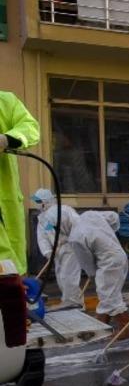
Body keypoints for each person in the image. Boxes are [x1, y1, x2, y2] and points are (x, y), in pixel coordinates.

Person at [61, 209, 129, 337]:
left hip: (108, 262)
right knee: (108, 294)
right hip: (120, 255)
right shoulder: (88, 215)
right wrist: (109, 233)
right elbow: (113, 216)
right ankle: (101, 325)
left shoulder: (75, 238)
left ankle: (126, 329)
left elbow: (86, 261)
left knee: (109, 297)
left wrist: (92, 274)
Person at [0, 91, 40, 273]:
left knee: (10, 274)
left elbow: (30, 127)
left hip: (6, 209)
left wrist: (7, 139)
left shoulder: (5, 101)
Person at [32, 188, 82, 308]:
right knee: (60, 276)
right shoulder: (42, 218)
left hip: (71, 247)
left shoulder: (64, 210)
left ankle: (74, 302)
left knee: (69, 275)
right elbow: (43, 238)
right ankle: (69, 301)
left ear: (46, 201)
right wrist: (48, 252)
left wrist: (73, 239)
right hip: (57, 251)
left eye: (38, 201)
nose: (36, 204)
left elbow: (78, 224)